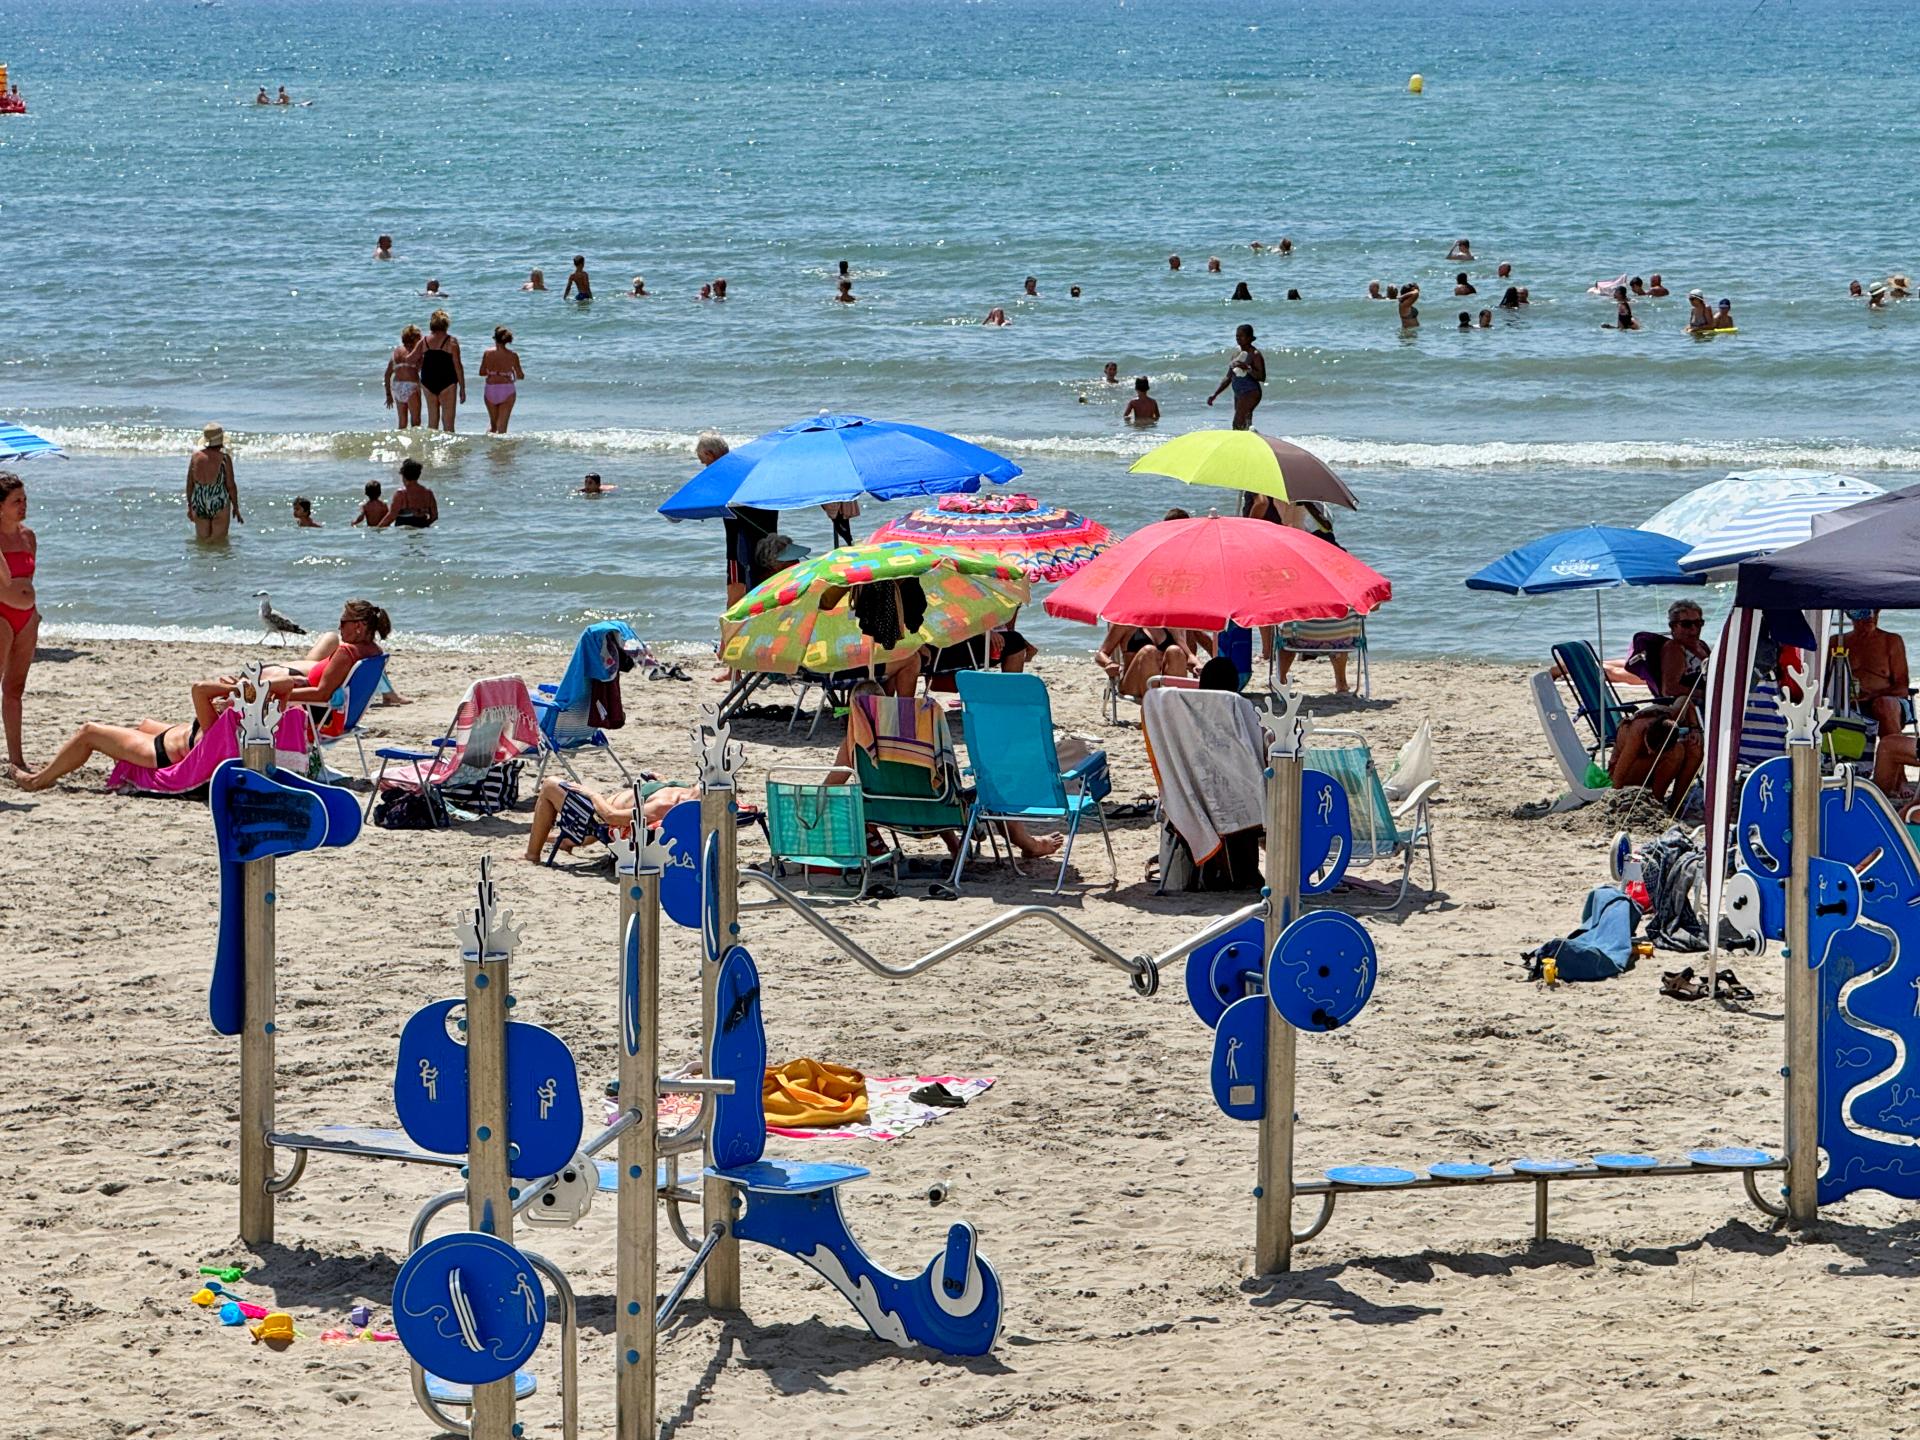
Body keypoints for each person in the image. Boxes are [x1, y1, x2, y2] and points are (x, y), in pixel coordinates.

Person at [523, 776, 703, 862]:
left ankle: (532, 855)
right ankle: (562, 841)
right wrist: (661, 781)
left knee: (549, 785)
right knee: (566, 836)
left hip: (597, 817)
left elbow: (611, 816)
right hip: (597, 819)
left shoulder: (664, 807)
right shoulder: (684, 790)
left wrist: (593, 795)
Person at [0, 473, 39, 771]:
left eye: (24, 499)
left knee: (15, 688)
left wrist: (33, 613)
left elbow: (28, 578)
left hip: (26, 617)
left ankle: (16, 759)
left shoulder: (28, 537)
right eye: (16, 501)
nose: (23, 505)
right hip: (1, 614)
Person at [1845, 609, 1909, 743]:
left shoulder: (1891, 641)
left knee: (1884, 704)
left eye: (1875, 611)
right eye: (1865, 612)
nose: (1871, 616)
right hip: (1850, 701)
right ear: (1851, 614)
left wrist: (1872, 695)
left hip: (1888, 701)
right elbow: (1826, 681)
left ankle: (1893, 750)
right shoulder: (1838, 642)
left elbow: (1902, 687)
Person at [1097, 625, 1197, 700]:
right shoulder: (1126, 624)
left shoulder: (1169, 625)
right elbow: (1101, 654)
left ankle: (1174, 704)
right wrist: (1108, 663)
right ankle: (1153, 709)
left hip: (1163, 684)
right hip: (1133, 684)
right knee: (1149, 651)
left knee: (1175, 651)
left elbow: (1189, 657)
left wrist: (1180, 638)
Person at [186, 423, 242, 541]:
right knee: (218, 542)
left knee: (202, 542)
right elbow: (231, 486)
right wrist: (236, 507)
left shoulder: (195, 457)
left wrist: (190, 506)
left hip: (200, 502)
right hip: (219, 502)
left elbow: (190, 484)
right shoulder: (224, 459)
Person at [1206, 323, 1265, 430]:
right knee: (1245, 423)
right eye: (1237, 336)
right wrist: (1215, 394)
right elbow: (1228, 377)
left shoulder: (1255, 354)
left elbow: (1261, 377)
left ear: (1249, 338)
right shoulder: (1235, 354)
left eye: (1241, 336)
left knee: (1237, 423)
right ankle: (1250, 438)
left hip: (1251, 392)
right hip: (1238, 393)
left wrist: (1247, 368)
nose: (1238, 338)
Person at [418, 310, 464, 432]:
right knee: (448, 424)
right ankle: (448, 444)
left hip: (428, 381)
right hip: (447, 382)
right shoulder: (452, 341)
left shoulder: (424, 340)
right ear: (446, 324)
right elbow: (458, 366)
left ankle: (431, 444)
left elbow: (412, 358)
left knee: (432, 422)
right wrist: (462, 388)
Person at [479, 326, 524, 434]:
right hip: (507, 389)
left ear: (495, 338)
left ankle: (489, 443)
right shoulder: (513, 355)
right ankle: (502, 445)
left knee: (493, 426)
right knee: (502, 429)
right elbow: (520, 375)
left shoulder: (487, 353)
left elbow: (481, 372)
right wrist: (510, 373)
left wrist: (493, 371)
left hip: (491, 389)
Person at [377, 459, 438, 528]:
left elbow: (391, 517)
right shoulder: (428, 493)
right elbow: (434, 516)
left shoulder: (401, 494)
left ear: (403, 475)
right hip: (422, 528)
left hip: (404, 531)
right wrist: (424, 525)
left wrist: (377, 529)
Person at [383, 323, 423, 429]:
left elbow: (387, 375)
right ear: (415, 338)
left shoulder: (396, 352)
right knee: (416, 421)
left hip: (397, 387)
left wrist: (388, 394)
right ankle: (414, 440)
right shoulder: (415, 352)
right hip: (411, 386)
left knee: (402, 423)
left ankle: (401, 439)